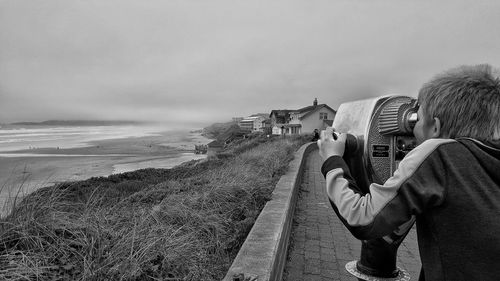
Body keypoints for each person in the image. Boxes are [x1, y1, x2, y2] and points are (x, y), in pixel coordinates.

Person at [317, 64, 500, 281]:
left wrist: (332, 159)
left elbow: (362, 218)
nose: (410, 130)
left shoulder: (440, 153)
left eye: (418, 119)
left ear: (435, 128)